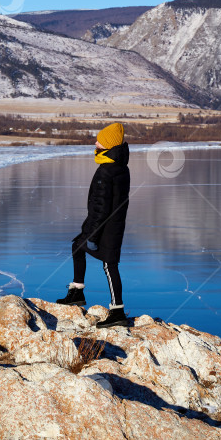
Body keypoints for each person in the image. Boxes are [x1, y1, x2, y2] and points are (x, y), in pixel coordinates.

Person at [57, 123, 130, 328]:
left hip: (107, 228)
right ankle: (77, 291)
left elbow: (101, 208)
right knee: (77, 246)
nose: (95, 143)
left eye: (99, 140)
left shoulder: (107, 171)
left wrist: (93, 235)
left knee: (109, 265)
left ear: (108, 145)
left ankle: (118, 312)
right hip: (108, 225)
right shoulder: (119, 166)